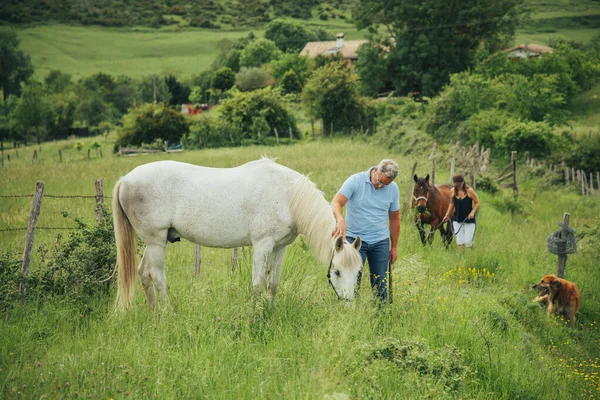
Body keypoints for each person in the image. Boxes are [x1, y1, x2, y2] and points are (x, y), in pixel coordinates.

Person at [331, 159, 400, 302]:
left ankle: (381, 315)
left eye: (384, 185)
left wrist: (394, 247)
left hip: (380, 241)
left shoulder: (393, 189)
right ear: (376, 170)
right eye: (379, 181)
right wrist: (340, 219)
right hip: (354, 241)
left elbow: (394, 219)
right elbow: (336, 202)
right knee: (352, 279)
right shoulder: (355, 181)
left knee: (380, 281)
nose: (380, 186)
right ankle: (350, 312)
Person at [442, 174, 480, 248]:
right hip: (457, 219)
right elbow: (451, 204)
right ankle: (460, 258)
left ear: (463, 182)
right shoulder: (452, 191)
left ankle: (470, 255)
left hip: (468, 219)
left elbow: (477, 202)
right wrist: (447, 215)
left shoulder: (470, 191)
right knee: (459, 241)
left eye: (459, 184)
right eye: (456, 184)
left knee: (468, 242)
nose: (458, 186)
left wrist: (472, 212)